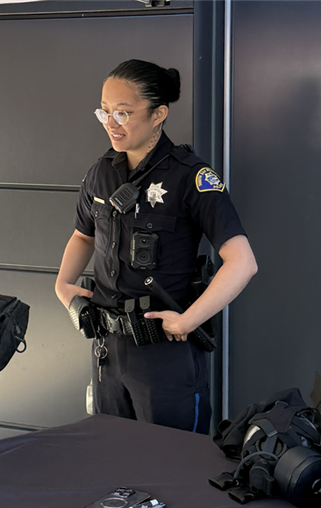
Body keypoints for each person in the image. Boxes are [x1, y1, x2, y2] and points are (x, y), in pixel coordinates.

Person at [55, 59, 258, 434]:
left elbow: (242, 262)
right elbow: (84, 234)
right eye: (104, 111)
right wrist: (62, 285)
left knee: (175, 465)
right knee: (112, 457)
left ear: (159, 113)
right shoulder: (100, 173)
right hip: (107, 350)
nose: (111, 122)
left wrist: (188, 320)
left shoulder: (191, 177)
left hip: (165, 354)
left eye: (123, 112)